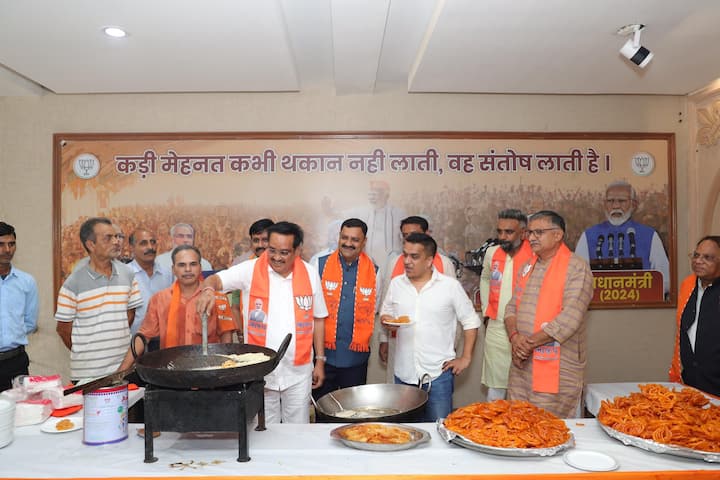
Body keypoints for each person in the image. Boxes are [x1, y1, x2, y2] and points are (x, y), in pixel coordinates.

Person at [196, 221, 328, 424]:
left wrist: (319, 361)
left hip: (299, 371)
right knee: (264, 429)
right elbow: (215, 280)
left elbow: (318, 319)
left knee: (298, 429)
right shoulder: (250, 270)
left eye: (284, 252)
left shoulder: (310, 274)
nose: (276, 257)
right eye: (272, 250)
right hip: (261, 370)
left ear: (297, 250)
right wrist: (207, 291)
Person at [380, 232, 481, 421]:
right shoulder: (396, 284)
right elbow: (386, 313)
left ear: (429, 261)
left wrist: (465, 358)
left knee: (439, 433)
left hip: (438, 375)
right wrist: (386, 320)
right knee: (405, 433)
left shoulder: (449, 287)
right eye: (405, 255)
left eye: (414, 256)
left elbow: (471, 321)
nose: (407, 261)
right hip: (404, 374)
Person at [505, 211, 593, 418]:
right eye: (530, 232)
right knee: (519, 422)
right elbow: (511, 308)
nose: (532, 237)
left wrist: (526, 345)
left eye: (539, 232)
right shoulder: (528, 265)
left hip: (557, 367)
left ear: (557, 235)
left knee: (550, 428)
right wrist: (515, 338)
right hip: (522, 366)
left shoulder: (576, 268)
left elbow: (569, 319)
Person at [118, 245, 235, 370]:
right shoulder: (159, 299)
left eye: (193, 264)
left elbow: (226, 338)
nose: (188, 269)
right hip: (172, 371)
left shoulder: (215, 297)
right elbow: (143, 336)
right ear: (173, 269)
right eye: (182, 265)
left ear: (200, 268)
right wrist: (121, 372)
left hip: (209, 371)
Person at [55, 217, 143, 382]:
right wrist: (86, 350)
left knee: (128, 408)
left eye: (116, 236)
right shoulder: (73, 283)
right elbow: (63, 329)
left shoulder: (128, 274)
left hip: (123, 368)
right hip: (87, 373)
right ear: (91, 244)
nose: (116, 242)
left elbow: (130, 315)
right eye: (108, 238)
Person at [379, 215, 456, 380]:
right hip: (399, 343)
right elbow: (386, 305)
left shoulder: (444, 264)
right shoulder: (394, 262)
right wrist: (383, 338)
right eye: (405, 235)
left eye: (414, 234)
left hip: (436, 346)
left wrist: (453, 347)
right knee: (400, 397)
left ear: (427, 234)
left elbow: (454, 310)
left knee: (434, 394)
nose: (410, 239)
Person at [312, 218, 381, 400]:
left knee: (353, 411)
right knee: (323, 409)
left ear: (364, 242)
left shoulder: (375, 271)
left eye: (355, 240)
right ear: (339, 237)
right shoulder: (318, 264)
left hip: (355, 357)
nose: (348, 244)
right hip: (322, 356)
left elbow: (373, 309)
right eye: (345, 237)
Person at [575, 180, 669, 294]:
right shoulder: (589, 236)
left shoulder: (649, 235)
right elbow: (578, 279)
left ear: (633, 204)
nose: (616, 206)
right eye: (610, 201)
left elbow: (665, 280)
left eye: (622, 201)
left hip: (640, 306)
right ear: (604, 204)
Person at [479, 209, 533, 401]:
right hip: (496, 327)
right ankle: (494, 427)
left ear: (524, 233)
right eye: (499, 231)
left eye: (508, 232)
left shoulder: (534, 255)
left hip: (526, 329)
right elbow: (485, 278)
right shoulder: (492, 253)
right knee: (496, 384)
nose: (502, 237)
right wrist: (487, 309)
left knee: (524, 384)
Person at [669, 236, 720, 396]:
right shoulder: (688, 285)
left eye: (707, 257)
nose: (698, 261)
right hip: (691, 383)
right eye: (696, 255)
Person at [0, 222, 39, 391]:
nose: (7, 250)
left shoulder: (26, 281)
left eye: (11, 244)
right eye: (1, 244)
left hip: (16, 361)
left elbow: (30, 323)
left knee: (22, 412)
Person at [127, 228, 173, 351]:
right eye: (143, 243)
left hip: (164, 344)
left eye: (153, 242)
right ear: (131, 247)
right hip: (134, 344)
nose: (150, 247)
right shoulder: (125, 275)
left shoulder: (168, 273)